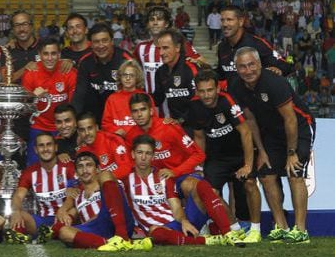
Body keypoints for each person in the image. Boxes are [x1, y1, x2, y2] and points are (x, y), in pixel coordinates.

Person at [229, 47, 315, 244]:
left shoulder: (275, 82)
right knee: (266, 175)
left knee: (295, 174)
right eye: (242, 66)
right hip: (271, 132)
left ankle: (301, 231)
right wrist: (262, 151)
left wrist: (291, 152)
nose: (248, 70)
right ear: (236, 68)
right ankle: (282, 228)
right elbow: (250, 120)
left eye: (251, 64)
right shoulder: (236, 86)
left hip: (300, 126)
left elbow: (290, 120)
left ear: (260, 64)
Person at [187, 69, 262, 243]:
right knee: (209, 192)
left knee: (250, 183)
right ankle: (234, 226)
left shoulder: (228, 101)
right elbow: (199, 137)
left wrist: (248, 165)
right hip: (217, 158)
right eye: (202, 91)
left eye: (210, 90)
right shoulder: (194, 107)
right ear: (197, 91)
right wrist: (200, 166)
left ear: (218, 89)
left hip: (239, 154)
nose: (206, 95)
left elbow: (245, 132)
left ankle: (255, 230)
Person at [123, 135, 235, 246]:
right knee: (157, 233)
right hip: (158, 230)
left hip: (178, 223)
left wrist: (184, 221)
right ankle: (207, 240)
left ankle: (227, 233)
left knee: (202, 185)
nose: (143, 157)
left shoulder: (163, 176)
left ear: (153, 156)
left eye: (148, 153)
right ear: (133, 154)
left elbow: (176, 206)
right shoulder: (126, 179)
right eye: (139, 152)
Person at [53, 152, 149, 251]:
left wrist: (102, 184)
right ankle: (110, 243)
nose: (85, 170)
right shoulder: (77, 196)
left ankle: (122, 236)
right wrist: (63, 213)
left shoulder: (108, 182)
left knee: (106, 174)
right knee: (64, 232)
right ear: (76, 173)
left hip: (117, 220)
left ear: (98, 169)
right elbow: (68, 218)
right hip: (96, 228)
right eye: (80, 167)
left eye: (89, 165)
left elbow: (121, 201)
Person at [7, 133, 76, 244]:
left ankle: (52, 232)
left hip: (65, 215)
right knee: (17, 214)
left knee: (74, 210)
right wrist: (15, 211)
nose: (45, 149)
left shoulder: (68, 167)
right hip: (43, 220)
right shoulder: (30, 172)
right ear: (35, 149)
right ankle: (20, 235)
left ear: (56, 147)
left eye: (49, 145)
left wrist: (63, 210)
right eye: (41, 145)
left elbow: (74, 194)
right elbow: (18, 196)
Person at [22, 37, 77, 165]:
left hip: (63, 128)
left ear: (59, 54)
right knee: (34, 166)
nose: (50, 58)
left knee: (66, 165)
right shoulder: (31, 73)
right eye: (46, 54)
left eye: (53, 53)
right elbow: (23, 108)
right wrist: (33, 97)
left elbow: (74, 106)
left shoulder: (69, 72)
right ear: (39, 55)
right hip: (39, 127)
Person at [71, 23, 135, 123]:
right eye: (96, 42)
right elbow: (79, 94)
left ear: (112, 41)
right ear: (90, 44)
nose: (100, 46)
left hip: (122, 117)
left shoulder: (126, 61)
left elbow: (136, 95)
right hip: (94, 118)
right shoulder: (85, 62)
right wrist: (74, 118)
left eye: (104, 41)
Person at [133, 6, 203, 94]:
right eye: (152, 19)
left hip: (177, 103)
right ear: (147, 24)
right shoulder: (140, 48)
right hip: (151, 104)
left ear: (166, 24)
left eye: (159, 19)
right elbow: (134, 70)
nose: (155, 23)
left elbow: (202, 62)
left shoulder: (180, 45)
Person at [216, 5, 292, 85]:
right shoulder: (222, 47)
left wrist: (277, 70)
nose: (224, 24)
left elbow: (286, 65)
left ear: (241, 21)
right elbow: (221, 75)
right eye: (222, 20)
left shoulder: (258, 44)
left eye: (229, 20)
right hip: (233, 96)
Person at [152, 28, 199, 123]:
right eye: (159, 48)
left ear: (177, 47)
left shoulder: (192, 69)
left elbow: (200, 101)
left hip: (197, 125)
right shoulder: (160, 72)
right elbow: (157, 99)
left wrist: (181, 120)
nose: (161, 53)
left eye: (165, 48)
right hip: (175, 124)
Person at [102, 60, 155, 137]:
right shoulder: (112, 98)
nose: (127, 78)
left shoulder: (145, 97)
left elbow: (154, 120)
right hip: (119, 140)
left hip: (141, 141)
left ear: (137, 77)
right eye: (125, 75)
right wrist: (115, 130)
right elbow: (106, 123)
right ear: (120, 77)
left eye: (131, 75)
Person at [75, 113, 132, 179]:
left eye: (90, 128)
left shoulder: (113, 140)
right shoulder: (81, 152)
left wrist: (104, 180)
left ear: (96, 128)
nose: (87, 133)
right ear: (78, 132)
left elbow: (125, 167)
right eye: (82, 130)